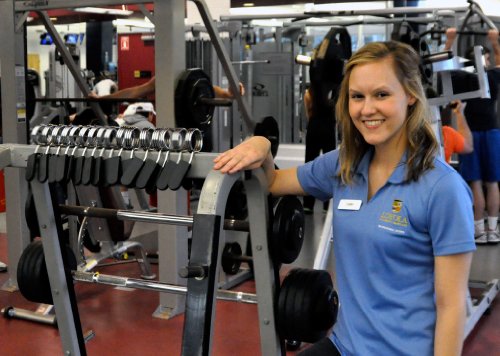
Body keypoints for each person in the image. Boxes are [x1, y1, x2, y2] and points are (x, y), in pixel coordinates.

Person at [214, 41, 475, 355]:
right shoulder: (343, 165)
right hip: (345, 346)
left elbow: (451, 305)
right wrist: (261, 144)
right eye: (357, 97)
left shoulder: (443, 188)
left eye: (381, 94)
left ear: (410, 96)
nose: (367, 109)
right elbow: (271, 181)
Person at [447, 28, 500, 244]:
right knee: (491, 183)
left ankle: (479, 230)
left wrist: (450, 40)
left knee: (478, 183)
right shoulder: (493, 75)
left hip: (471, 135)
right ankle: (493, 230)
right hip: (485, 135)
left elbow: (442, 63)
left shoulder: (460, 77)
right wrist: (494, 41)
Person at [89, 75, 244, 101]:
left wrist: (228, 94)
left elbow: (207, 89)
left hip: (194, 133)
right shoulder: (162, 78)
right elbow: (134, 92)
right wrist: (103, 99)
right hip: (169, 131)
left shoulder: (187, 76)